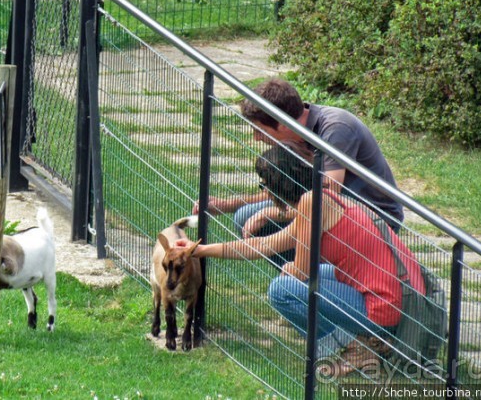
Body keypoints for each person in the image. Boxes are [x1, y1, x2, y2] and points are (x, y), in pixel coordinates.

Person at [179, 142, 424, 377]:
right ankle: (368, 341)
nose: (264, 192)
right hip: (396, 296)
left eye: (264, 184)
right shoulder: (321, 197)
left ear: (278, 184)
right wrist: (200, 250)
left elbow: (301, 272)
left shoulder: (312, 203)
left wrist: (293, 268)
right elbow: (264, 245)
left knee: (282, 290)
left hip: (384, 306)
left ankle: (358, 348)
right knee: (311, 277)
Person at [196, 77, 404, 246]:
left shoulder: (336, 129)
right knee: (245, 215)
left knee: (262, 219)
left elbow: (327, 197)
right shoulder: (295, 138)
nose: (256, 138)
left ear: (283, 124)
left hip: (375, 220)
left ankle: (310, 278)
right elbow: (289, 191)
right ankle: (301, 275)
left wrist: (271, 213)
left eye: (260, 130)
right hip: (332, 209)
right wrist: (227, 205)